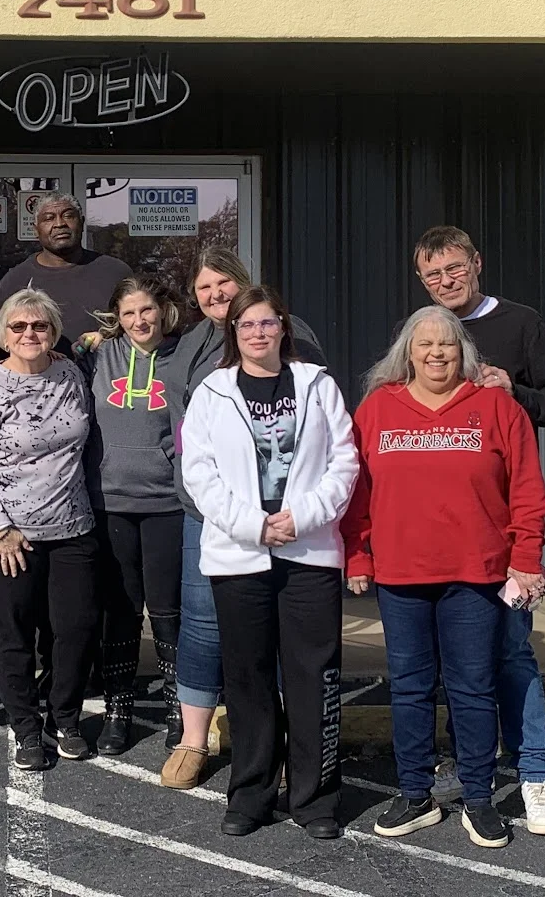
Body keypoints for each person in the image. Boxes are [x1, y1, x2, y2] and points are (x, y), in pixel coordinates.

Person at [342, 305, 545, 851]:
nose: (437, 353)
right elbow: (356, 490)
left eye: (448, 344)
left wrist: (526, 556)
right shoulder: (378, 409)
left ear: (464, 352)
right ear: (407, 354)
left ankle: (479, 799)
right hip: (401, 574)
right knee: (409, 687)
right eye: (425, 344)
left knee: (472, 687)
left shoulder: (497, 407)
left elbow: (527, 489)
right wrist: (357, 555)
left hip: (476, 574)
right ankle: (415, 794)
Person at [413, 224, 545, 835]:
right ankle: (467, 763)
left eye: (454, 268)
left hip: (507, 529)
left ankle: (537, 774)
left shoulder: (520, 323)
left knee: (510, 652)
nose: (446, 281)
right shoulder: (424, 332)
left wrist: (518, 391)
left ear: (477, 263)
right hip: (445, 532)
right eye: (433, 274)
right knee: (456, 659)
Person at [181, 286, 357, 840]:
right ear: (233, 333)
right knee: (248, 678)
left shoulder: (318, 385)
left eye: (267, 322)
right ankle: (251, 794)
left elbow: (345, 462)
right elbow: (199, 473)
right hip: (239, 554)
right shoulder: (212, 392)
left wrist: (302, 517)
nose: (258, 333)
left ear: (284, 326)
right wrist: (254, 525)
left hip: (309, 551)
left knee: (313, 677)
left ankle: (315, 798)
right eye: (247, 325)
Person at [161, 245, 327, 789]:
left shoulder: (288, 330)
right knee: (202, 623)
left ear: (242, 281)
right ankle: (193, 739)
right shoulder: (191, 343)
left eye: (223, 283)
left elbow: (318, 420)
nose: (215, 295)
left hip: (286, 516)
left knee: (277, 629)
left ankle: (283, 745)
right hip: (209, 511)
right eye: (204, 287)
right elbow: (182, 424)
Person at [0, 288, 99, 770]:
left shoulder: (70, 374)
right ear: (3, 336)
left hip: (73, 526)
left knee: (74, 630)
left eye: (39, 325)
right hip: (10, 536)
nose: (29, 334)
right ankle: (25, 727)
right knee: (13, 633)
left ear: (54, 332)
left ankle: (65, 719)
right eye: (18, 327)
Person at [79, 276, 184, 756]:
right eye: (128, 313)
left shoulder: (183, 354)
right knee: (120, 611)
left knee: (166, 610)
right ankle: (117, 710)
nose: (139, 321)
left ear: (162, 310)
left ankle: (178, 707)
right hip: (110, 502)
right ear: (116, 319)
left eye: (146, 310)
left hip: (167, 502)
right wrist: (86, 340)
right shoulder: (98, 355)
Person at [0, 193, 132, 344]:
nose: (59, 224)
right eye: (49, 218)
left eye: (68, 216)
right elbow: (2, 341)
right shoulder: (15, 281)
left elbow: (137, 329)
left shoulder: (115, 273)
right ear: (36, 230)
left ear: (82, 223)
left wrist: (106, 341)